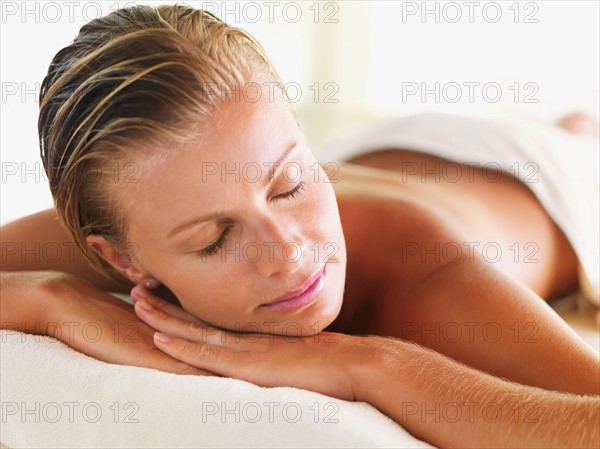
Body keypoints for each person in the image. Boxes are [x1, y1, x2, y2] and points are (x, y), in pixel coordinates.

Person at [1, 4, 598, 448]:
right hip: (383, 156)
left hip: (546, 180)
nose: (288, 253)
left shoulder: (424, 277)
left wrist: (366, 364)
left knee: (579, 142)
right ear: (122, 260)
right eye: (215, 239)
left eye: (292, 186)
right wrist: (51, 298)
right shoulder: (150, 195)